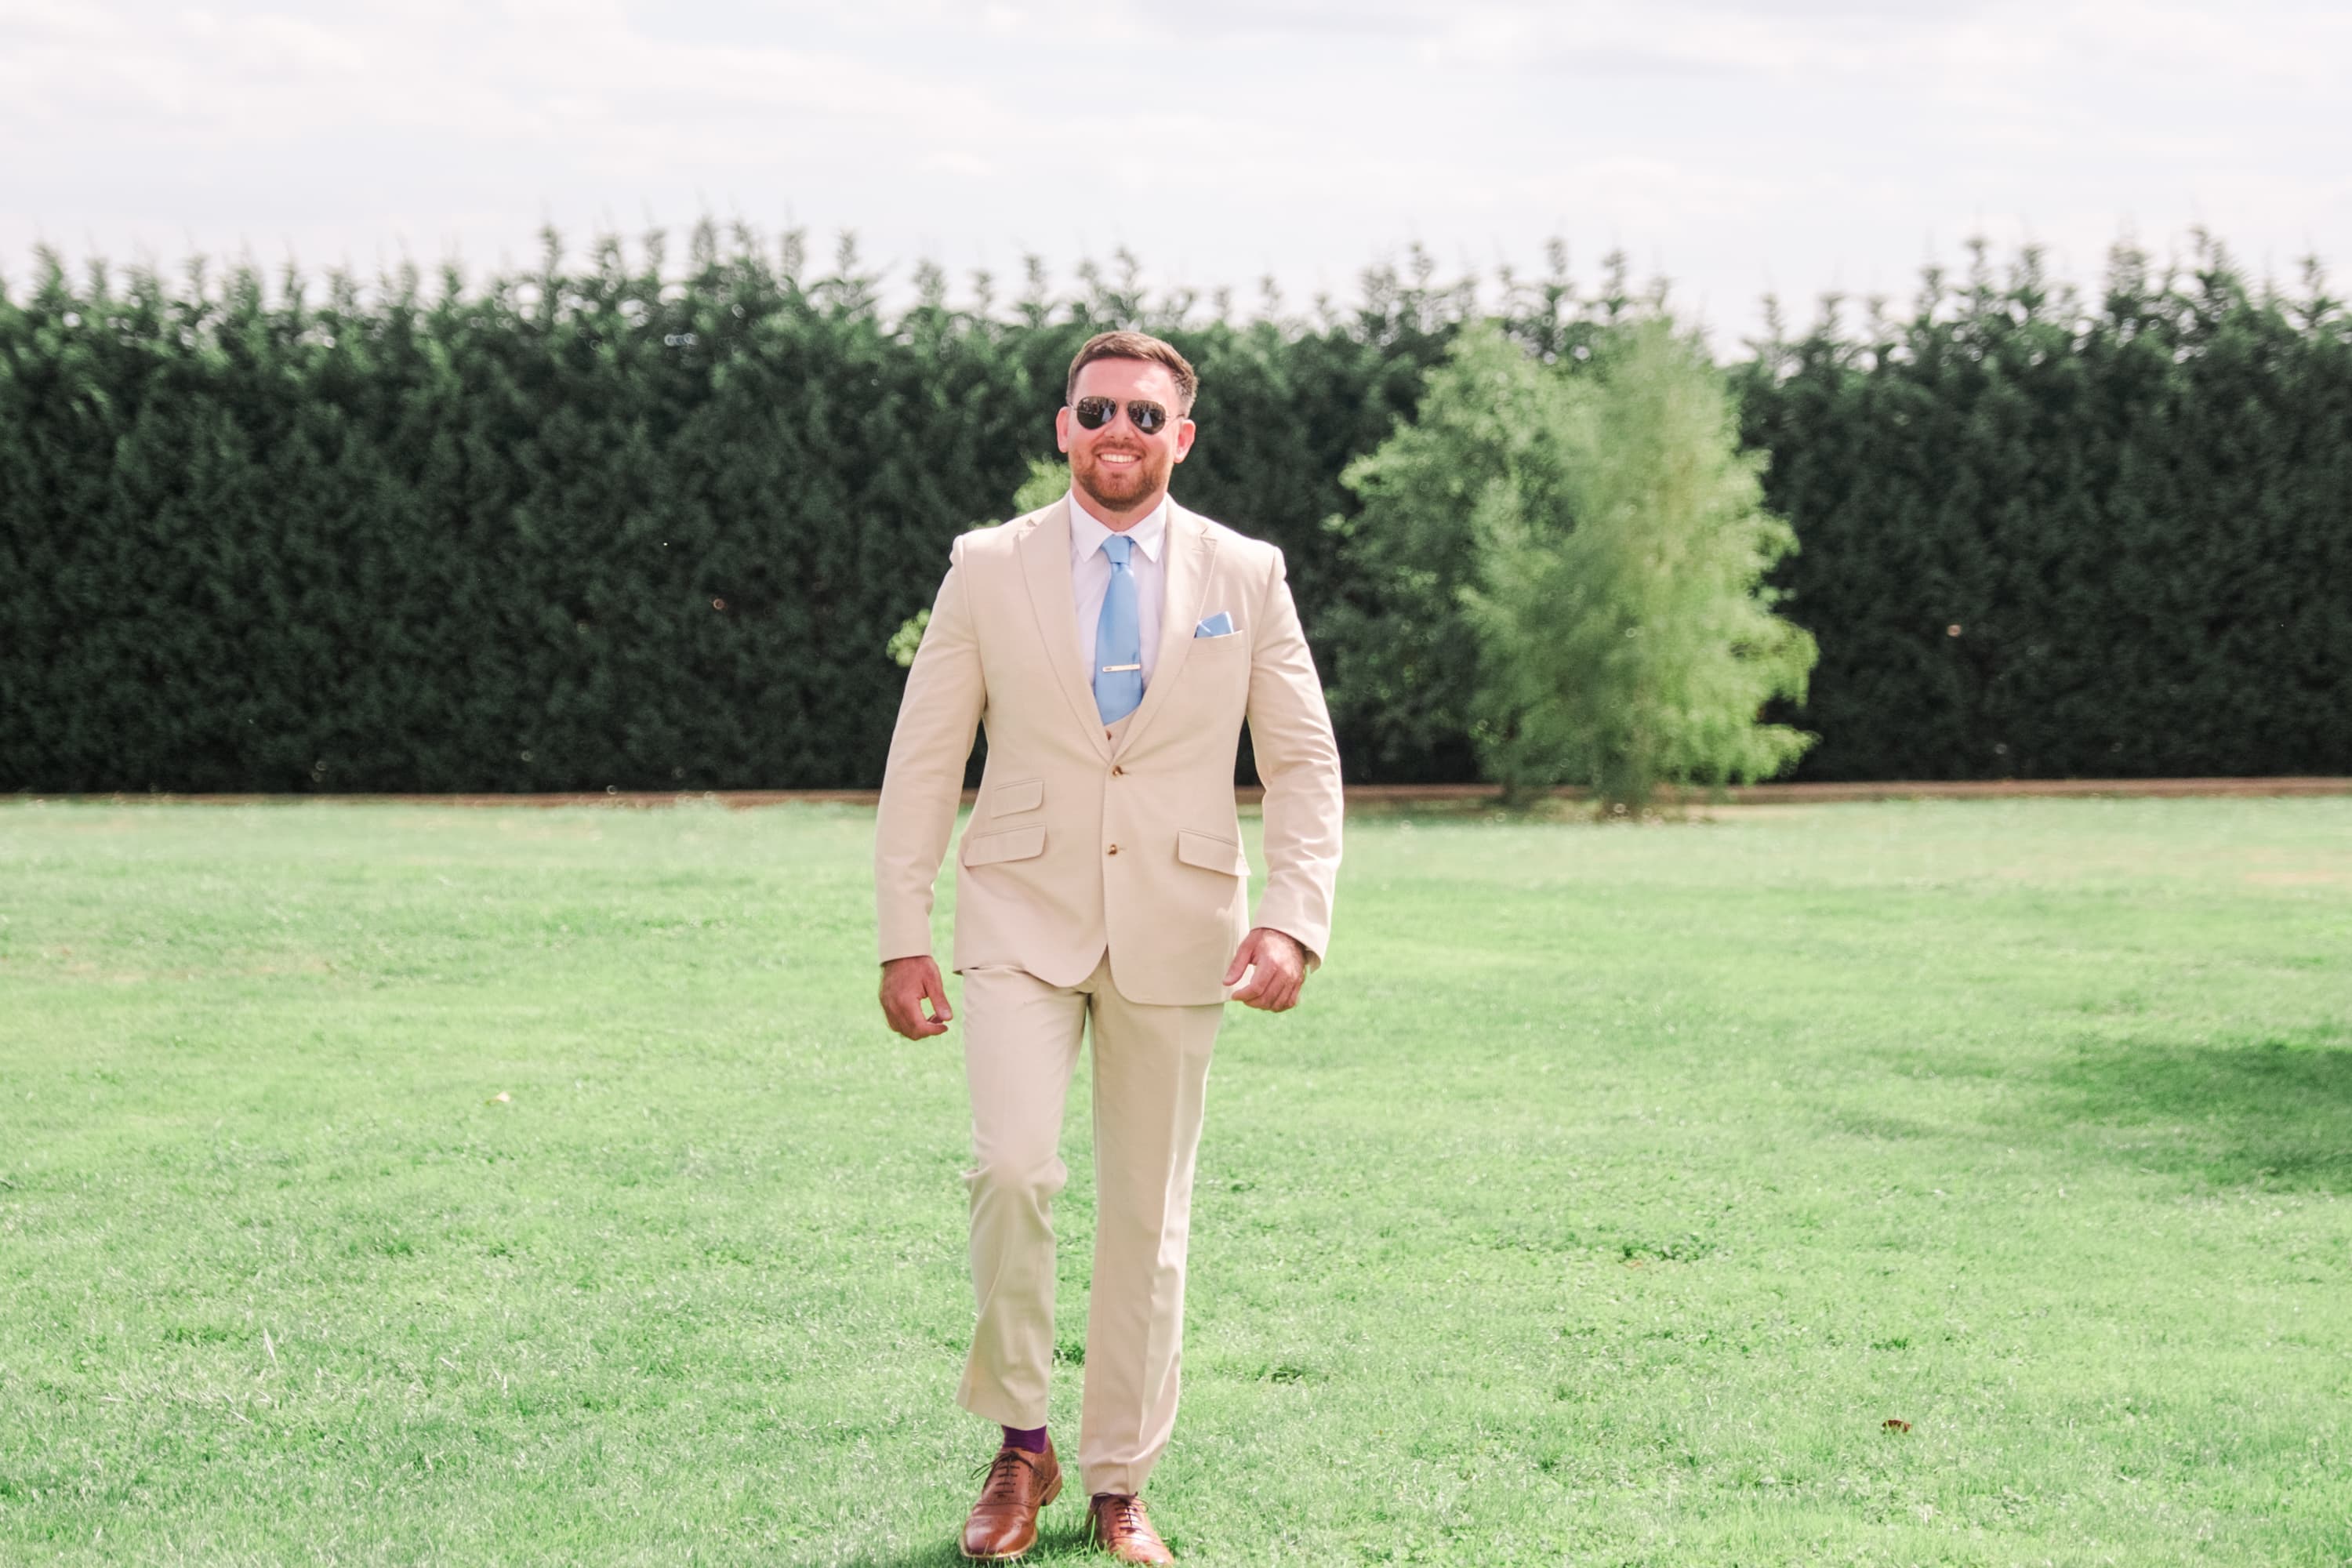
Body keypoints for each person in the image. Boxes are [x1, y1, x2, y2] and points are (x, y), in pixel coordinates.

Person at [873, 330, 1344, 1563]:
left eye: (1144, 415)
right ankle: (1019, 1445)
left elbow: (1300, 759)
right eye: (1097, 412)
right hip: (1018, 913)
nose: (1118, 433)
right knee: (1014, 1170)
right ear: (1063, 427)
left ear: (1181, 437)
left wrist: (1294, 916)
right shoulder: (986, 567)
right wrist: (898, 932)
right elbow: (928, 757)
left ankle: (1120, 1476)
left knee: (1150, 1213)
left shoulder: (1247, 573)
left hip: (1182, 926)